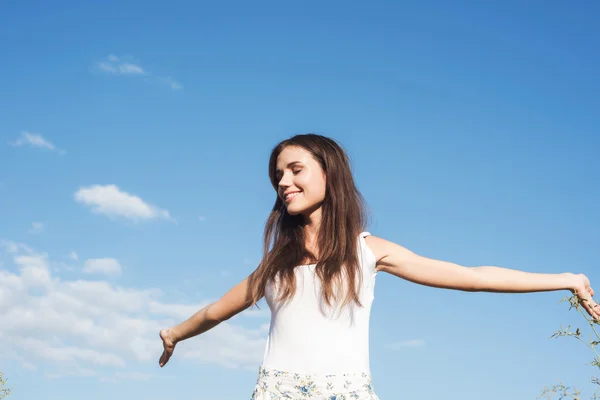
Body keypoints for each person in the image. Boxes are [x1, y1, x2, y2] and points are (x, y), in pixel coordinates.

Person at [158, 133, 599, 399]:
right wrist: (174, 334)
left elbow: (474, 277)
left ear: (329, 175)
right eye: (278, 175)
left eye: (295, 170)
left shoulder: (367, 251)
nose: (283, 182)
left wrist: (566, 280)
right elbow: (216, 310)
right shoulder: (275, 268)